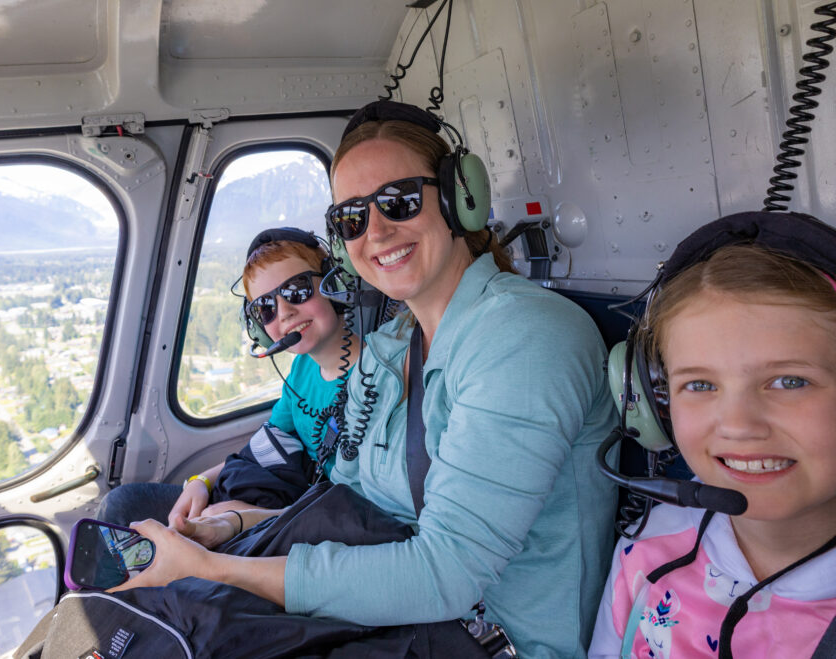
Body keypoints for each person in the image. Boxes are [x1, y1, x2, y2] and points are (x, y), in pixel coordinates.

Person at [112, 101, 618, 658]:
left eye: (398, 201)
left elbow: (444, 576)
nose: (375, 231)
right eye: (351, 217)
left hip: (486, 638)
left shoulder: (524, 337)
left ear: (457, 199)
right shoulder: (391, 347)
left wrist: (220, 570)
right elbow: (348, 504)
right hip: (396, 615)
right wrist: (231, 527)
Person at [588, 211, 836, 658]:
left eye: (789, 381)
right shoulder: (649, 547)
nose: (739, 425)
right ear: (657, 404)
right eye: (699, 385)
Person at [97, 227, 359, 527]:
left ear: (333, 283)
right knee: (121, 505)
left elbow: (360, 513)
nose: (284, 312)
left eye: (296, 290)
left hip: (317, 521)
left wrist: (240, 519)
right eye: (266, 308)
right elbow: (267, 443)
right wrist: (200, 482)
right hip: (287, 500)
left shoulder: (376, 379)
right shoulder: (302, 369)